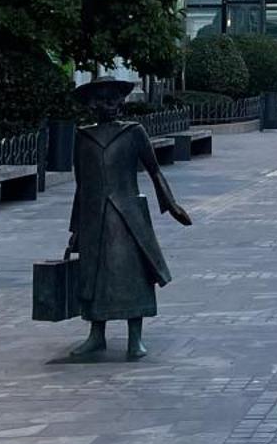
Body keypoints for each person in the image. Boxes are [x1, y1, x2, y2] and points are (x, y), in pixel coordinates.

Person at [66, 78, 192, 361]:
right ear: (92, 106)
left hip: (127, 215)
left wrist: (171, 205)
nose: (108, 106)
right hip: (94, 216)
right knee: (94, 277)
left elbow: (154, 171)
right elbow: (81, 185)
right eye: (101, 101)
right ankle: (96, 335)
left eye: (113, 100)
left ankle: (135, 337)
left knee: (132, 274)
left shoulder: (134, 133)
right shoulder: (83, 137)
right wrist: (75, 228)